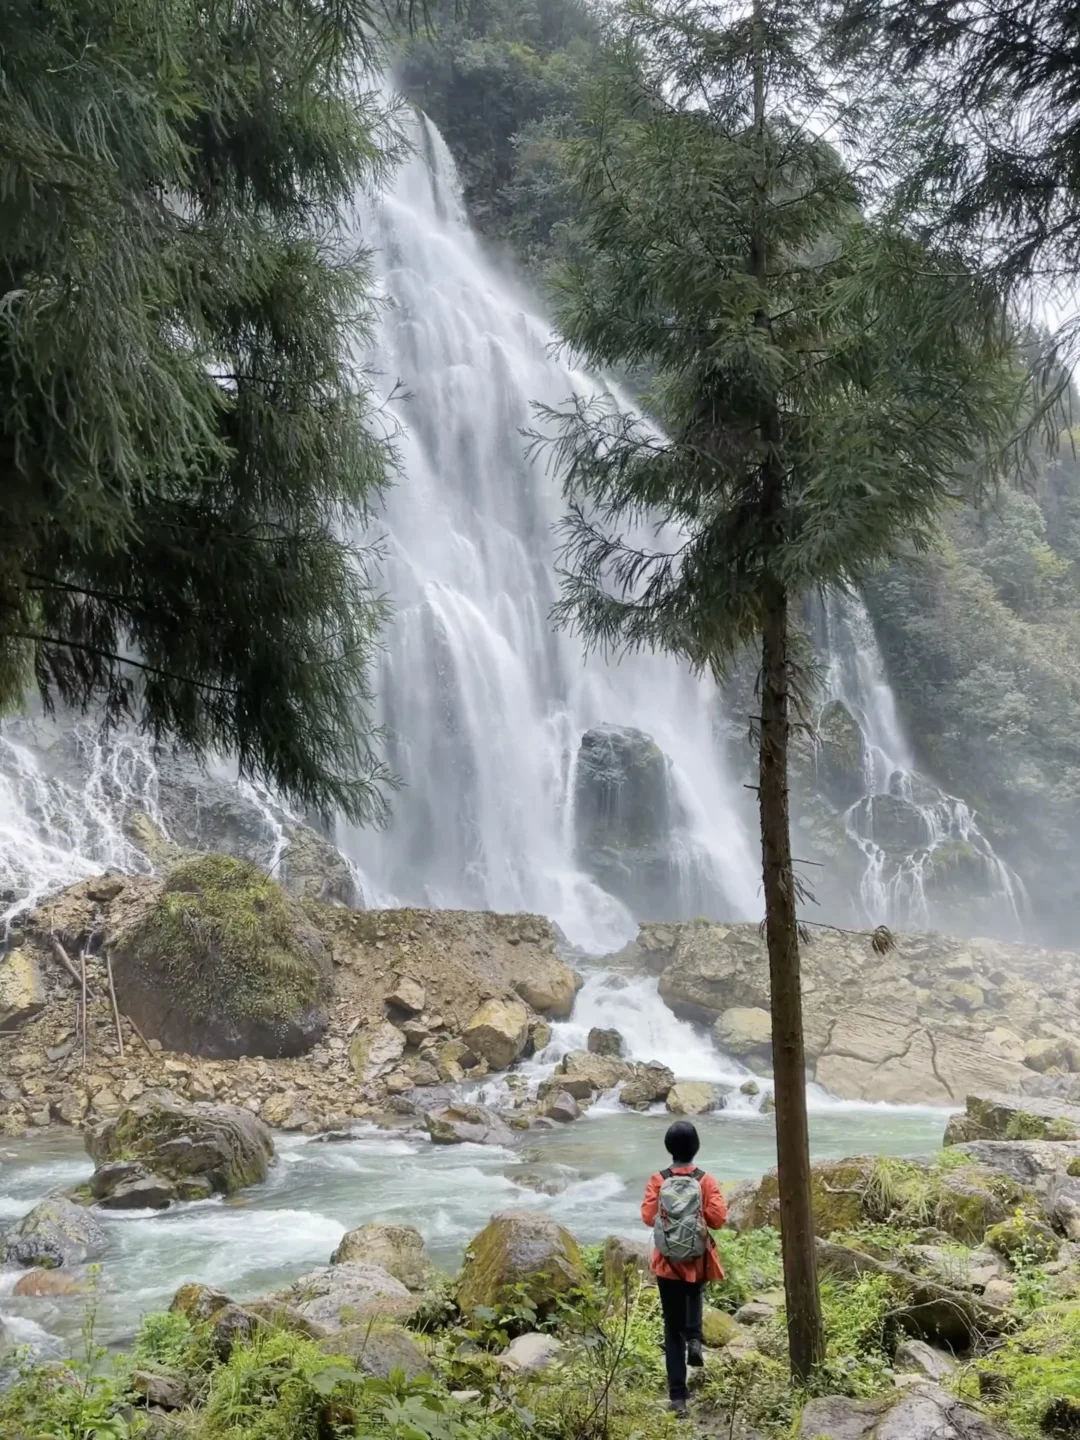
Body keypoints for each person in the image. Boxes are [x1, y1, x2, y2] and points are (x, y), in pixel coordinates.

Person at [641, 1119, 728, 1417]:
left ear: (669, 1148)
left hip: (667, 1264)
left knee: (671, 1325)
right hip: (697, 1259)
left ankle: (678, 1397)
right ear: (696, 1148)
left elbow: (647, 1217)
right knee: (694, 1295)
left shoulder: (658, 1179)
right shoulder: (705, 1180)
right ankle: (695, 1338)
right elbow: (718, 1219)